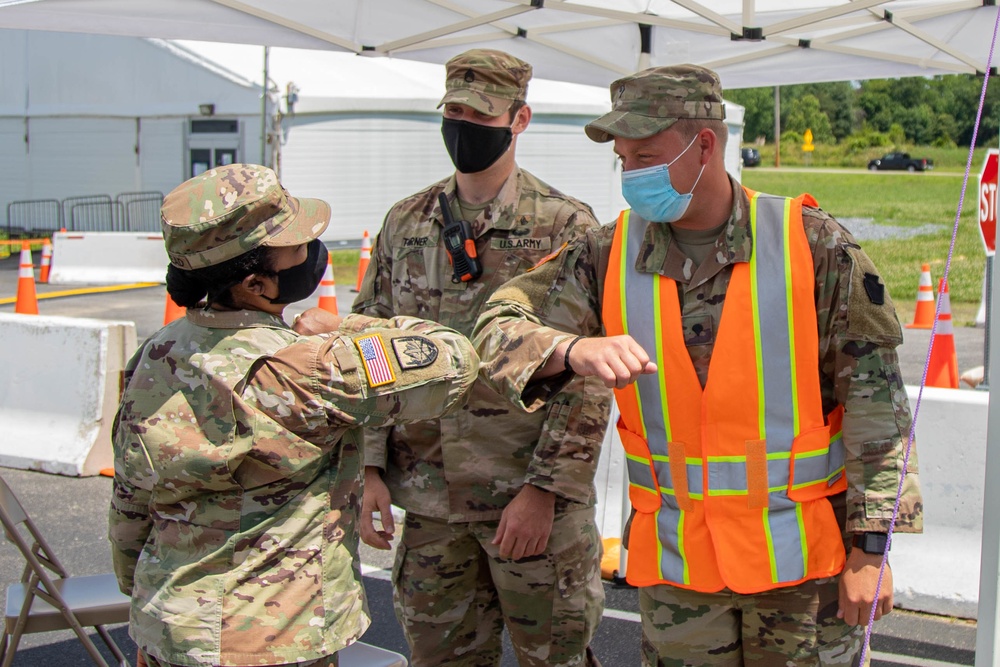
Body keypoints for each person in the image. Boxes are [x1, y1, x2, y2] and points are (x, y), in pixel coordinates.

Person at [472, 65, 923, 666]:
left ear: (704, 145)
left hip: (803, 574)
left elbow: (878, 408)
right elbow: (495, 324)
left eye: (646, 156)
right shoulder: (606, 253)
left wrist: (872, 551)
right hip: (679, 576)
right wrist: (569, 349)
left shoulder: (811, 246)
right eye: (624, 159)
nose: (631, 173)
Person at [108, 163, 479, 667]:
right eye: (298, 245)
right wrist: (344, 326)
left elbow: (130, 503)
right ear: (257, 284)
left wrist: (150, 601)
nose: (313, 255)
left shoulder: (154, 356)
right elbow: (453, 359)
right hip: (273, 641)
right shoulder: (306, 369)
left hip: (170, 630)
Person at [352, 49, 610, 667]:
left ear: (519, 120)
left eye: (480, 114)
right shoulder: (406, 222)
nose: (462, 126)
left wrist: (546, 490)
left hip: (527, 501)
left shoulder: (567, 227)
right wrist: (367, 469)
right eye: (455, 112)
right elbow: (368, 350)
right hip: (430, 504)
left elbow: (587, 375)